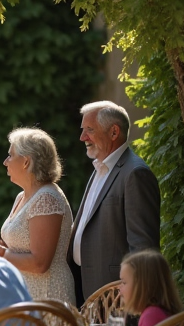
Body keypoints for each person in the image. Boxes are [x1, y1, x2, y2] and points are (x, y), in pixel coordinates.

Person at [68, 101, 161, 305]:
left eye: (89, 130)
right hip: (88, 290)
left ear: (114, 132)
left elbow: (143, 249)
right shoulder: (99, 169)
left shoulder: (135, 173)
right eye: (83, 130)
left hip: (116, 298)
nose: (82, 137)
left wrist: (132, 298)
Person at [0, 128, 75, 305]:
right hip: (25, 293)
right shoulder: (22, 196)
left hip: (48, 295)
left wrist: (0, 253)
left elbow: (40, 263)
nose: (5, 162)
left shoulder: (47, 198)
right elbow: (24, 249)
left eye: (10, 155)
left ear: (26, 162)